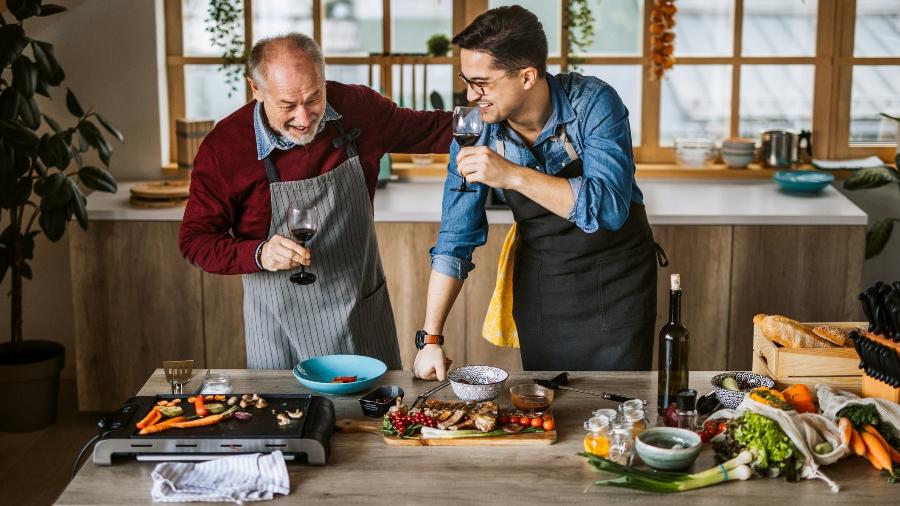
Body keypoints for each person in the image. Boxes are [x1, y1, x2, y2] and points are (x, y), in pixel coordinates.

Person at [412, 6, 663, 380]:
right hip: (546, 283)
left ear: (527, 76)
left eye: (482, 83)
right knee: (551, 403)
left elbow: (608, 207)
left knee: (619, 405)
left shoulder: (592, 103)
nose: (470, 94)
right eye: (467, 80)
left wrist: (512, 175)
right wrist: (430, 339)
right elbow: (454, 239)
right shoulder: (474, 129)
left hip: (619, 282)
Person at [179, 33, 452, 369]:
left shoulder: (357, 108)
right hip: (277, 323)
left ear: (324, 80)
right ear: (256, 89)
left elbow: (434, 129)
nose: (304, 118)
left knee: (370, 417)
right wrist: (258, 253)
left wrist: (504, 116)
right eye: (287, 105)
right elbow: (195, 241)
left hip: (359, 307)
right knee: (287, 417)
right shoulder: (225, 148)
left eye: (314, 99)